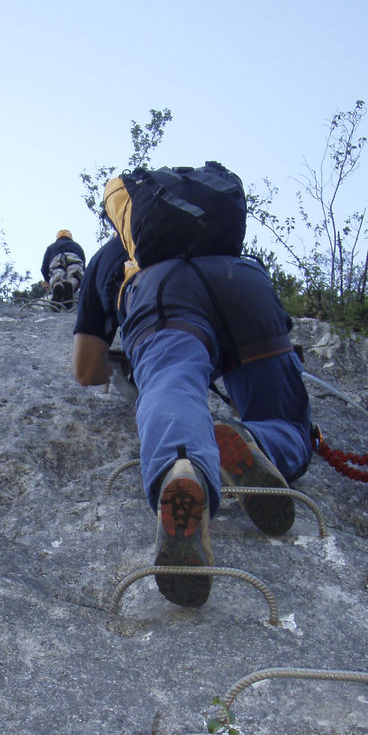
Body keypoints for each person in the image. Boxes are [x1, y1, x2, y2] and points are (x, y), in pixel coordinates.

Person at [72, 187, 312, 611]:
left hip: (162, 293)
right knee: (287, 422)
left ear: (126, 220)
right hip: (244, 282)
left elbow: (86, 371)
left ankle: (182, 465)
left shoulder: (111, 256)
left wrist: (131, 359)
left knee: (172, 379)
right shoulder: (214, 235)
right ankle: (251, 438)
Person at [41, 230, 86, 310]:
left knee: (57, 277)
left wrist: (49, 281)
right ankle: (71, 284)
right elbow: (83, 265)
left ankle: (58, 285)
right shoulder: (77, 246)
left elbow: (44, 267)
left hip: (57, 258)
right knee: (76, 275)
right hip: (74, 256)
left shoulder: (52, 246)